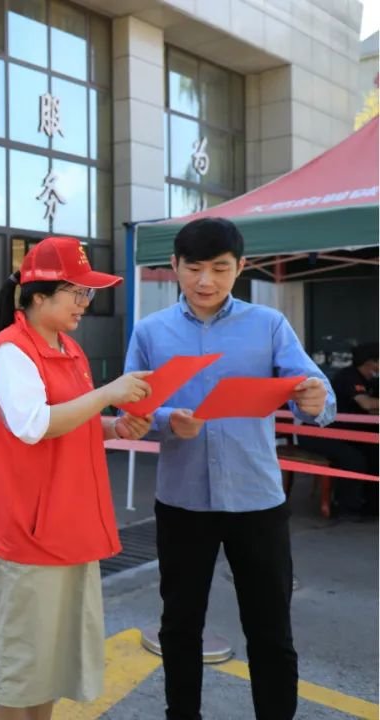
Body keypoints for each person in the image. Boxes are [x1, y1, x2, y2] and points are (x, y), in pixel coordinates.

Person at [124, 217, 335, 720]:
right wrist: (165, 421)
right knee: (180, 625)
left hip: (256, 500)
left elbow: (316, 394)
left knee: (270, 629)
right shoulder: (151, 332)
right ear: (174, 265)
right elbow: (129, 411)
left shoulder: (269, 325)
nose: (205, 281)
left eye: (220, 268)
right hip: (182, 503)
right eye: (193, 268)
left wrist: (314, 397)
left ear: (241, 267)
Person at [0, 236, 153, 720]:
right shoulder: (12, 350)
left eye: (88, 293)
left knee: (50, 655)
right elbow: (35, 424)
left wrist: (113, 426)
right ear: (38, 295)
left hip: (68, 524)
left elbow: (72, 419)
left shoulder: (68, 348)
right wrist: (108, 395)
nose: (85, 303)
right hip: (27, 530)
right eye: (77, 292)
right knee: (19, 659)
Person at [298, 341, 379, 516]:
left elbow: (373, 408)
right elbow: (366, 404)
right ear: (371, 362)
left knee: (375, 453)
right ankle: (347, 507)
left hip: (345, 433)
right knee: (354, 459)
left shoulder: (370, 381)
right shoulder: (348, 377)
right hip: (317, 434)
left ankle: (371, 504)